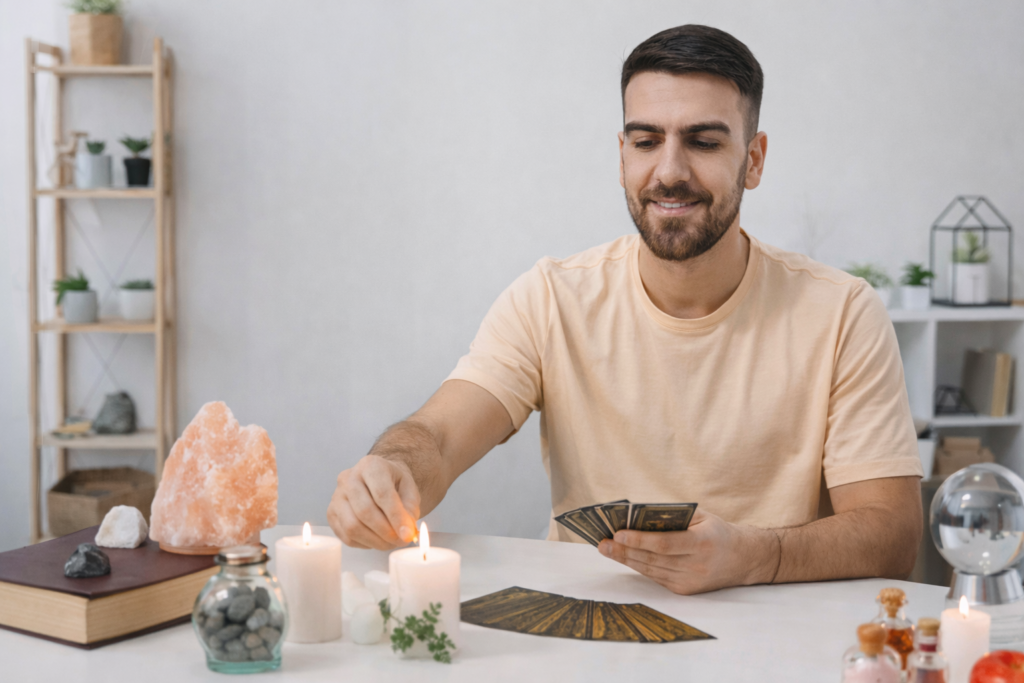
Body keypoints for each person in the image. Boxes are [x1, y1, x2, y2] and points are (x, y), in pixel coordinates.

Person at [327, 24, 924, 595]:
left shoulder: (842, 312)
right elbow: (438, 437)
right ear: (622, 156)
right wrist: (391, 471)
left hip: (778, 631)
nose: (669, 171)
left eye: (704, 141)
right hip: (582, 632)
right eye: (646, 141)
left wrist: (751, 557)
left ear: (755, 159)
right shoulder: (551, 298)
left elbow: (892, 535)